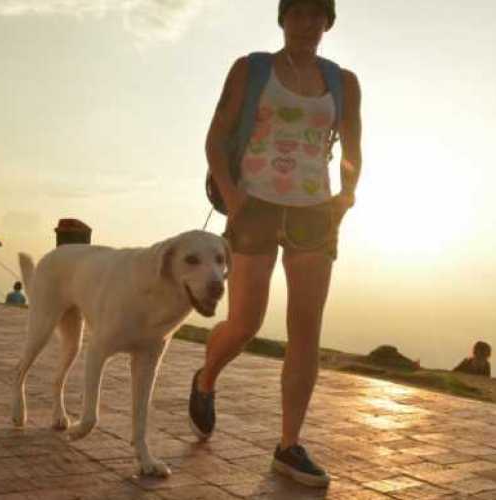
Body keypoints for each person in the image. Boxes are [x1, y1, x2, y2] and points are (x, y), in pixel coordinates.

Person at [189, 0, 361, 488]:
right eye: (298, 13)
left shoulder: (343, 83)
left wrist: (344, 197)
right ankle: (205, 379)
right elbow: (216, 138)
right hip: (255, 206)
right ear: (283, 18)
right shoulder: (252, 69)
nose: (307, 24)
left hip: (314, 213)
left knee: (306, 330)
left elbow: (353, 148)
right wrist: (233, 195)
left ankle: (288, 446)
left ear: (328, 22)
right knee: (245, 322)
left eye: (317, 15)